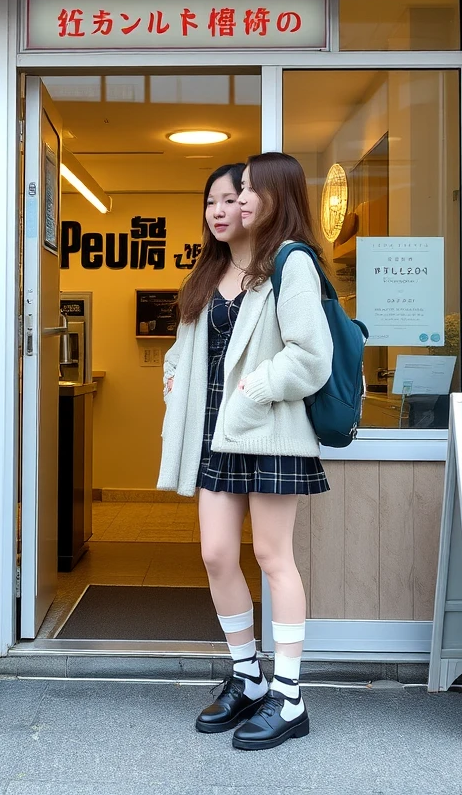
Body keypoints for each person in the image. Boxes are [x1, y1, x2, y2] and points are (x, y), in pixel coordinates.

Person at [159, 151, 333, 752]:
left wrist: (253, 388)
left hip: (271, 432)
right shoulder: (209, 273)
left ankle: (290, 696)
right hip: (216, 436)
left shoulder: (291, 265)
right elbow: (183, 350)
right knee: (214, 555)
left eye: (238, 195)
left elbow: (311, 357)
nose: (227, 207)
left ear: (271, 199)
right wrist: (173, 380)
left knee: (272, 555)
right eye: (215, 201)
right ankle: (249, 676)